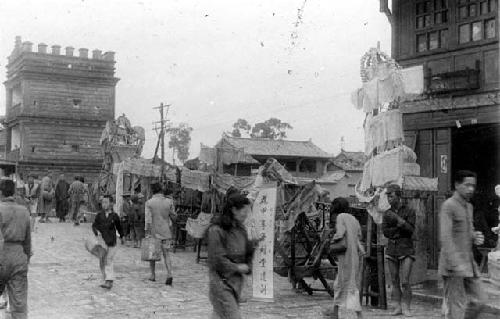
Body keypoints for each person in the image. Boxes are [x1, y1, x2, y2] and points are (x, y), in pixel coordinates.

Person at [439, 170, 486, 319]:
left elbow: (468, 230)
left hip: (469, 264)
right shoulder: (449, 206)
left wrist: (475, 236)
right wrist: (455, 263)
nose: (471, 189)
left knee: (480, 301)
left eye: (473, 185)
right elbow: (445, 237)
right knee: (456, 308)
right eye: (467, 185)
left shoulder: (469, 207)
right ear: (457, 185)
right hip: (453, 266)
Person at [207, 193, 255, 319]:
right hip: (221, 283)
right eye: (244, 211)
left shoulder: (241, 229)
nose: (246, 214)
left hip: (236, 284)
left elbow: (247, 254)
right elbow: (217, 259)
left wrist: (254, 244)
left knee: (219, 315)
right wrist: (237, 267)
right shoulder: (216, 230)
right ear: (234, 210)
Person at [324, 197, 365, 319]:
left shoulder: (341, 217)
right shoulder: (353, 219)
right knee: (345, 283)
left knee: (343, 284)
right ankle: (336, 312)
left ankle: (358, 314)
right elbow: (358, 237)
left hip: (345, 257)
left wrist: (332, 239)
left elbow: (340, 233)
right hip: (354, 257)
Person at [382, 184, 416, 317]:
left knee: (405, 281)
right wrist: (400, 227)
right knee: (394, 280)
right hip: (392, 249)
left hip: (406, 248)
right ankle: (397, 307)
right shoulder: (386, 213)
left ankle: (407, 307)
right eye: (388, 197)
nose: (389, 199)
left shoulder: (410, 211)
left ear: (398, 195)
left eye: (391, 196)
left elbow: (411, 230)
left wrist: (397, 221)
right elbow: (385, 232)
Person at [0, 179, 31, 319]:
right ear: (14, 192)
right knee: (19, 306)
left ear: (1, 193)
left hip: (1, 254)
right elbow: (27, 241)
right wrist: (26, 260)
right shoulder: (24, 211)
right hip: (18, 256)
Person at [145, 183, 176, 284]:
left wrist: (147, 233)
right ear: (161, 190)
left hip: (154, 232)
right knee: (166, 254)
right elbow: (174, 216)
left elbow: (148, 220)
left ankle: (153, 275)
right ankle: (169, 274)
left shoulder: (149, 203)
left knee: (152, 256)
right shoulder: (169, 202)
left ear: (152, 191)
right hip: (166, 232)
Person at [91, 195, 124, 289]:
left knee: (108, 259)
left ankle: (109, 280)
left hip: (112, 240)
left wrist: (122, 236)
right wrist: (96, 232)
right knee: (102, 260)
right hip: (102, 241)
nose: (104, 204)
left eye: (106, 202)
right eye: (103, 202)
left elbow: (119, 227)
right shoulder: (99, 215)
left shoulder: (114, 216)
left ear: (111, 204)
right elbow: (94, 226)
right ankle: (105, 278)